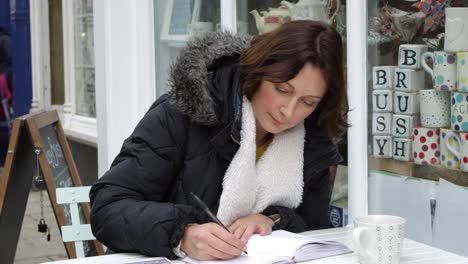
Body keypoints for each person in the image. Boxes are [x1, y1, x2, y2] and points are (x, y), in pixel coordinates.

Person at [90, 20, 349, 261]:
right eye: (282, 90)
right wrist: (182, 234)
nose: (289, 112)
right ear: (258, 71)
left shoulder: (312, 139)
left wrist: (274, 219)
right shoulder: (181, 113)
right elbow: (108, 208)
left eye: (308, 102)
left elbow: (315, 230)